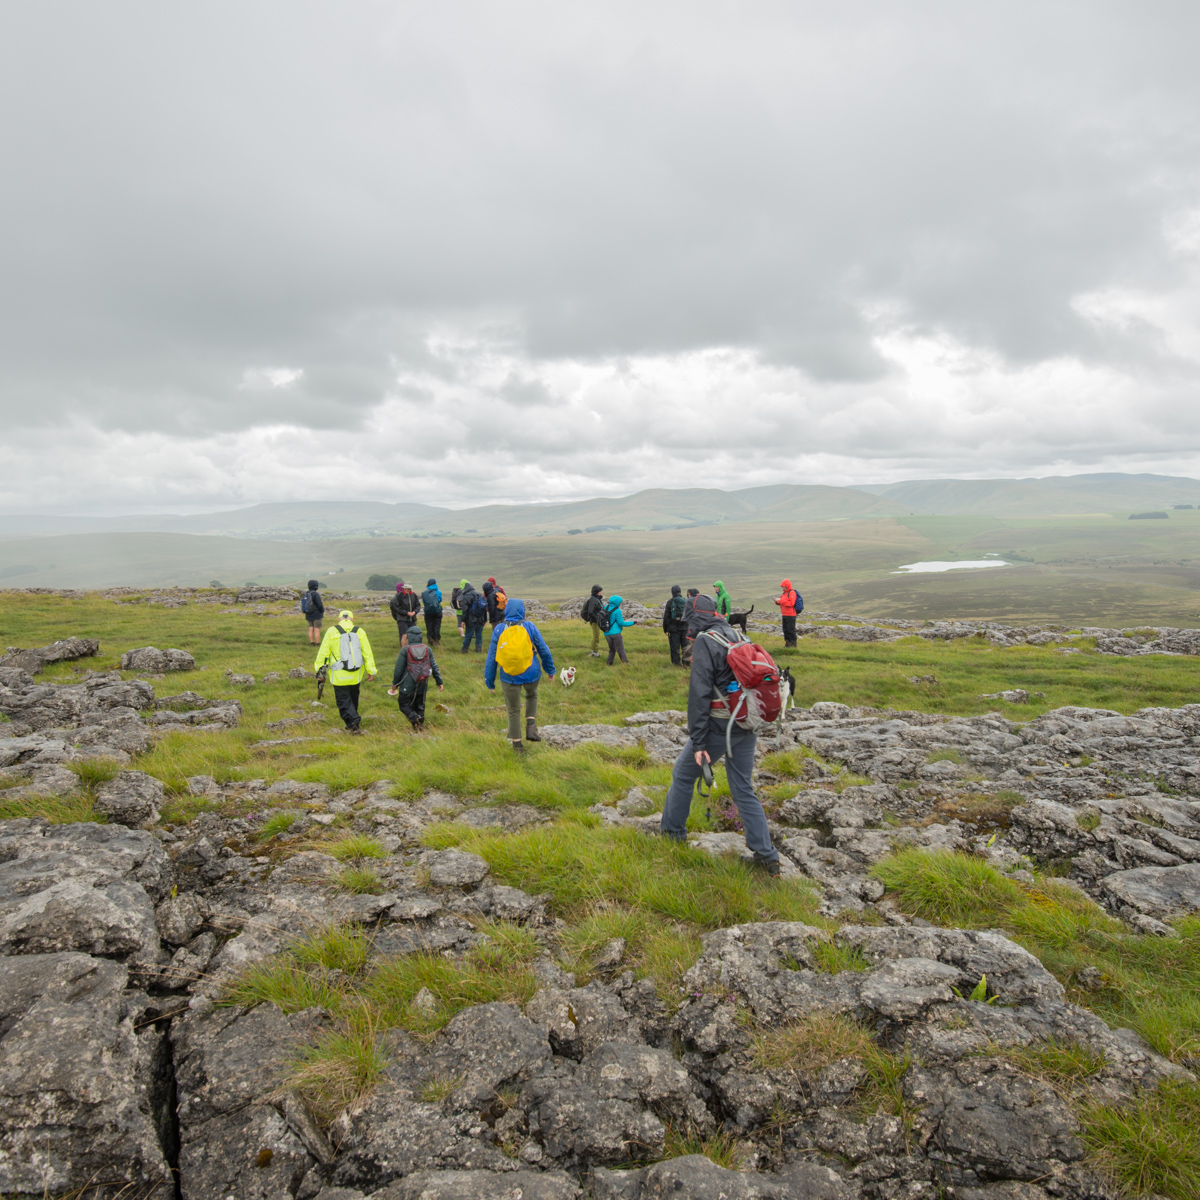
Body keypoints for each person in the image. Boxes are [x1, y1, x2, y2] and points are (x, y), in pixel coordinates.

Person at [660, 596, 781, 875]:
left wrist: (699, 742)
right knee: (743, 787)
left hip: (720, 726)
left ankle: (671, 838)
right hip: (746, 722)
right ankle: (767, 858)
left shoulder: (706, 640)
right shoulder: (736, 634)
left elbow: (699, 693)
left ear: (694, 617)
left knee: (683, 775)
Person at [484, 598, 555, 752]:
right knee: (532, 695)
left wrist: (490, 681)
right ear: (522, 610)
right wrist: (550, 670)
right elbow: (544, 650)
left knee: (513, 710)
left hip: (508, 676)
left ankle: (517, 747)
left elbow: (491, 657)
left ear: (507, 610)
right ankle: (531, 728)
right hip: (531, 672)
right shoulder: (529, 626)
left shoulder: (499, 629)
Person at [314, 609, 377, 734]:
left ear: (339, 619)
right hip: (356, 674)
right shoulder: (359, 631)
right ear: (352, 619)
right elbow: (367, 652)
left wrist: (321, 673)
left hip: (339, 675)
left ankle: (353, 722)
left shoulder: (332, 631)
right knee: (353, 698)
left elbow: (324, 654)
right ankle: (352, 722)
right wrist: (371, 670)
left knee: (343, 701)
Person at [390, 626, 443, 731]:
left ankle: (414, 718)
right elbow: (434, 666)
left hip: (407, 684)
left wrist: (395, 685)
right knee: (420, 706)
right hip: (423, 683)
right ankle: (419, 729)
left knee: (403, 704)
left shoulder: (405, 650)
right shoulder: (427, 649)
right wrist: (439, 682)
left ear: (409, 637)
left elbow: (398, 670)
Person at [601, 594, 635, 665]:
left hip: (606, 632)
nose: (621, 603)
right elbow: (621, 623)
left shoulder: (606, 607)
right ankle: (625, 663)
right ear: (617, 603)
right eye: (620, 602)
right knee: (620, 649)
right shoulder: (617, 611)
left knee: (612, 649)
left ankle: (609, 663)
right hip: (616, 633)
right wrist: (633, 623)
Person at [662, 584, 688, 666]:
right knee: (685, 646)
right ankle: (686, 664)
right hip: (685, 627)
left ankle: (676, 665)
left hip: (673, 629)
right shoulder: (685, 601)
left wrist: (665, 629)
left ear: (672, 592)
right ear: (680, 591)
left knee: (674, 647)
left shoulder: (670, 602)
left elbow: (666, 617)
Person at [458, 579, 487, 653]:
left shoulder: (466, 596)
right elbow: (484, 608)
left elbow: (465, 610)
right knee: (479, 636)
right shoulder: (479, 594)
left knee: (468, 636)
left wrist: (462, 621)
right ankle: (478, 650)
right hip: (480, 619)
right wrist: (485, 619)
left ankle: (464, 650)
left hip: (471, 620)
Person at [773, 578, 802, 648]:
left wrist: (780, 601)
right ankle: (788, 644)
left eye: (783, 586)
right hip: (784, 614)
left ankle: (793, 644)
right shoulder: (784, 594)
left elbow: (791, 603)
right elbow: (782, 603)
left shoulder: (792, 593)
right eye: (782, 586)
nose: (782, 588)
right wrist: (777, 602)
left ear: (787, 585)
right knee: (785, 630)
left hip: (791, 615)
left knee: (791, 630)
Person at [581, 584, 605, 657]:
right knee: (596, 637)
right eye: (599, 591)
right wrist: (596, 619)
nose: (601, 592)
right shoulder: (593, 600)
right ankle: (595, 653)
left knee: (596, 637)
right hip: (594, 622)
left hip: (597, 621)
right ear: (596, 592)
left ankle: (594, 651)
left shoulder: (597, 599)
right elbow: (590, 612)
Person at [421, 578, 444, 645]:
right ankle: (436, 639)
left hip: (428, 612)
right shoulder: (438, 592)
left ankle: (430, 639)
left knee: (429, 625)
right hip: (437, 611)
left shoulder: (425, 593)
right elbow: (439, 600)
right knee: (437, 625)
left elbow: (423, 602)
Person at [302, 579, 325, 645]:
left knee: (310, 629)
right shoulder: (315, 594)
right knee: (317, 629)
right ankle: (318, 643)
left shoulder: (306, 594)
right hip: (317, 614)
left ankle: (311, 643)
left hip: (308, 613)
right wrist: (322, 610)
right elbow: (319, 604)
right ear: (316, 586)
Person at [681, 588, 700, 666]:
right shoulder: (702, 603)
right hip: (702, 629)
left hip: (691, 629)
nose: (688, 596)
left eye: (689, 594)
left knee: (690, 646)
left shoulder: (688, 602)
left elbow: (684, 618)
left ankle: (689, 664)